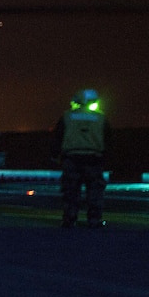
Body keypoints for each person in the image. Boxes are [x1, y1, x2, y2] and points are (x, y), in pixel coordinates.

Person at [51, 88, 111, 228]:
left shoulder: (67, 116)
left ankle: (69, 219)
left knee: (71, 190)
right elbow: (108, 140)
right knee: (95, 191)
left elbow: (57, 137)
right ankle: (94, 220)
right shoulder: (101, 118)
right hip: (94, 159)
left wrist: (54, 155)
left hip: (72, 159)